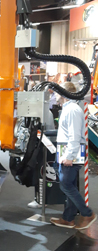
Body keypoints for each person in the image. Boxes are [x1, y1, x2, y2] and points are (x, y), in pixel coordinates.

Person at [50, 81, 96, 230]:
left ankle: (87, 214)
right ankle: (68, 218)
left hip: (71, 153)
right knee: (70, 185)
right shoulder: (68, 108)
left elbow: (75, 136)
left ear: (63, 93)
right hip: (66, 151)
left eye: (57, 92)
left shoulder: (72, 110)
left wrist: (69, 156)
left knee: (66, 185)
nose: (55, 95)